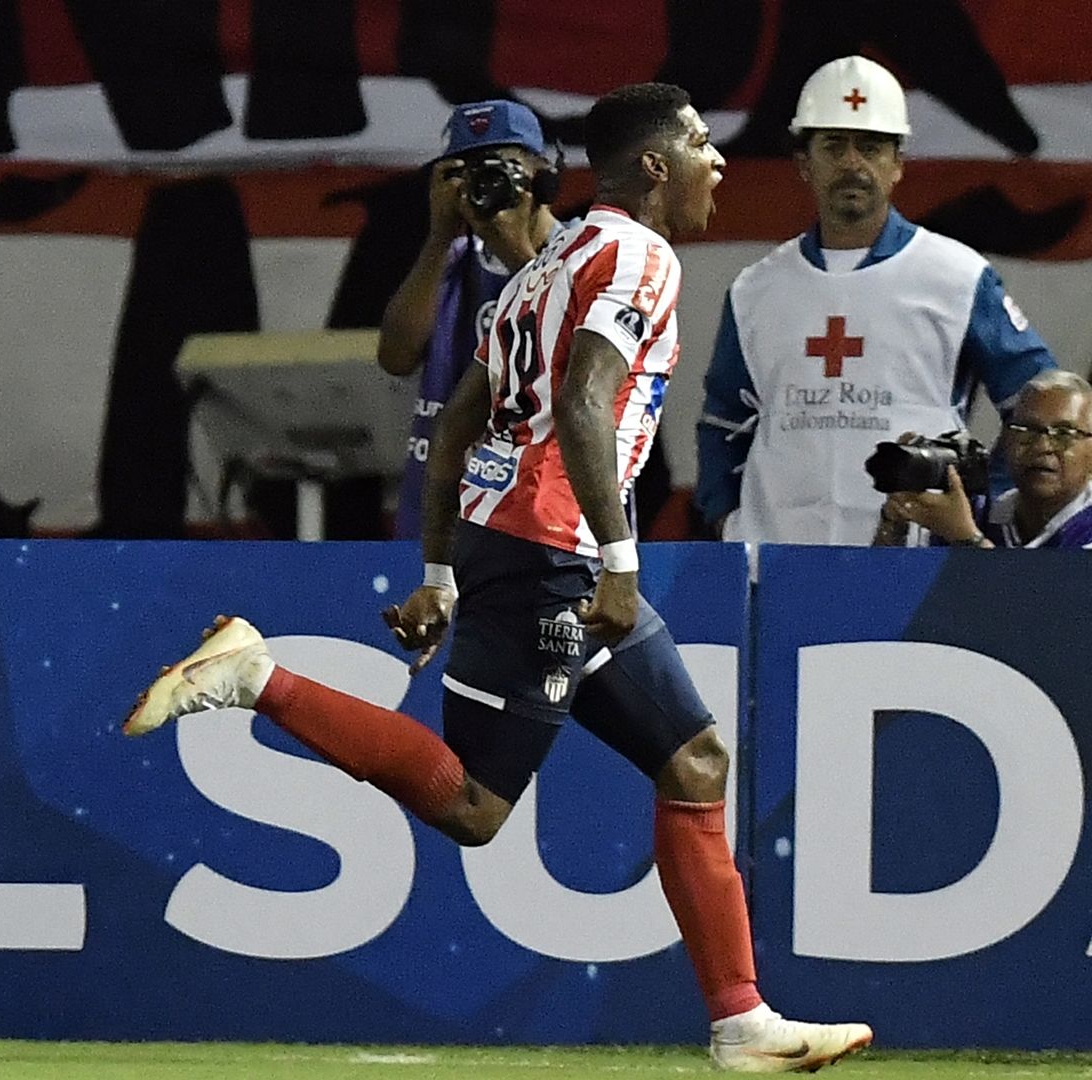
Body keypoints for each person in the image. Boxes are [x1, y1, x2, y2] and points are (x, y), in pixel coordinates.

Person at [128, 83, 873, 1073]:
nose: (719, 160)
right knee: (475, 807)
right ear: (655, 166)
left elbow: (455, 431)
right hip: (551, 554)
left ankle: (742, 1023)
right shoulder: (636, 255)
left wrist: (440, 571)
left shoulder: (540, 272)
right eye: (702, 142)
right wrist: (618, 562)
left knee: (694, 761)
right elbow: (585, 400)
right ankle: (255, 677)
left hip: (517, 543)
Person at [696, 55, 1055, 545]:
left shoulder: (957, 277)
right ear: (804, 163)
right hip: (778, 558)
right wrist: (726, 517)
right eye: (833, 146)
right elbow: (723, 420)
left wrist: (983, 500)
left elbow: (1041, 404)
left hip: (915, 560)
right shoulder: (756, 289)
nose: (852, 164)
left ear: (897, 164)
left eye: (870, 147)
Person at [380, 98, 560, 541]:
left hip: (546, 510)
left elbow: (568, 338)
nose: (483, 183)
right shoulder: (450, 260)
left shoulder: (582, 253)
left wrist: (514, 250)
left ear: (541, 175)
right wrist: (439, 238)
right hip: (445, 507)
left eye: (499, 167)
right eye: (467, 171)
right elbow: (396, 357)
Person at [876, 371, 1092, 549]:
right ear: (1006, 441)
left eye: (1064, 434)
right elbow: (883, 586)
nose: (1042, 446)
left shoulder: (961, 525)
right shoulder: (977, 514)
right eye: (1026, 430)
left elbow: (1044, 591)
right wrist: (894, 524)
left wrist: (967, 539)